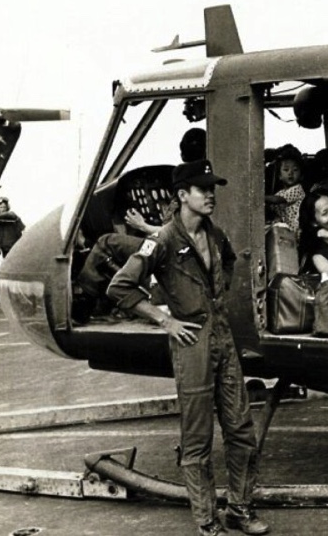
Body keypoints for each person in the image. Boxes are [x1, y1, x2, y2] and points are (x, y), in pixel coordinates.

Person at [107, 160, 269, 536]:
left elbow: (229, 262)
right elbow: (120, 287)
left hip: (223, 338)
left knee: (241, 430)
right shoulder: (162, 239)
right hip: (192, 342)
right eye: (203, 189)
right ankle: (207, 521)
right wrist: (167, 320)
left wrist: (215, 298)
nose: (211, 195)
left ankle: (240, 509)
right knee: (197, 439)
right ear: (183, 195)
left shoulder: (214, 234)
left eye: (212, 188)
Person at [266, 144, 306, 235]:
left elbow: (278, 200)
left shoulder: (298, 189)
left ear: (301, 176)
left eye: (295, 170)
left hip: (295, 230)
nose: (290, 173)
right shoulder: (280, 192)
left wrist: (260, 197)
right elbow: (272, 207)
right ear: (279, 176)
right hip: (284, 229)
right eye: (286, 170)